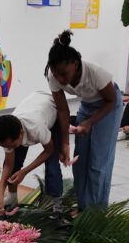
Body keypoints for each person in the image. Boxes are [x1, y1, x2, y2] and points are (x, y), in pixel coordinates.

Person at [46, 30, 123, 211]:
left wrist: (89, 122)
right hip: (87, 105)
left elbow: (111, 101)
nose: (60, 79)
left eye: (64, 74)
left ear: (75, 64)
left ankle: (96, 212)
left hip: (109, 105)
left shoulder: (95, 72)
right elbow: (63, 111)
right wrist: (65, 143)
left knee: (98, 163)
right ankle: (84, 208)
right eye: (56, 74)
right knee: (79, 162)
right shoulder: (53, 75)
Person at [0, 91, 63, 216]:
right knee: (14, 164)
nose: (9, 149)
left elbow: (49, 150)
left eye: (12, 146)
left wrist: (24, 172)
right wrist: (0, 194)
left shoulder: (36, 128)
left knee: (52, 165)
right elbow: (8, 164)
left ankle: (57, 205)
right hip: (33, 104)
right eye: (6, 147)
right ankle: (12, 198)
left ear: (21, 133)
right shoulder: (7, 133)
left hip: (53, 109)